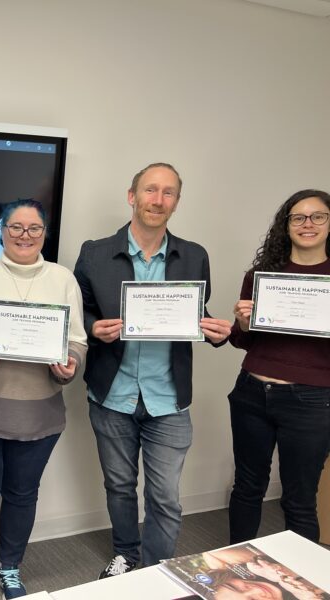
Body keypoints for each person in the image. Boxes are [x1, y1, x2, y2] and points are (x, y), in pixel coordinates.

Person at [73, 163, 232, 577]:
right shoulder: (94, 252)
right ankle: (126, 556)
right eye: (150, 190)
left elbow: (193, 313)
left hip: (169, 399)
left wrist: (215, 330)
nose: (158, 200)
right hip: (112, 395)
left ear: (176, 202)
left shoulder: (194, 255)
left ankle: (159, 571)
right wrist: (92, 328)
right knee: (120, 487)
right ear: (132, 196)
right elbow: (78, 313)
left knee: (166, 497)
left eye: (168, 193)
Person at [0, 199, 88, 600]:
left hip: (38, 414)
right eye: (16, 227)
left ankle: (10, 566)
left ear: (44, 233)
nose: (25, 236)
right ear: (2, 231)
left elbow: (77, 339)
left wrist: (71, 364)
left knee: (23, 495)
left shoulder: (62, 279)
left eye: (34, 228)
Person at [227, 189, 330, 545]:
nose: (308, 224)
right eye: (298, 217)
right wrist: (241, 324)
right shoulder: (261, 275)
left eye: (318, 216)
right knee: (246, 487)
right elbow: (242, 341)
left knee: (299, 499)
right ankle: (233, 575)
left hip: (313, 401)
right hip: (252, 393)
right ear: (285, 226)